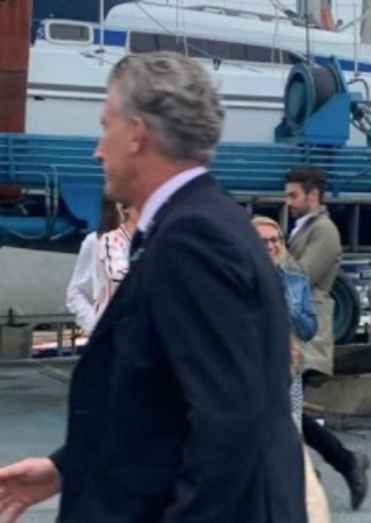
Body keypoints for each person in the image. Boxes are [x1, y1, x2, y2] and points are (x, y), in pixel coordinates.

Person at [0, 52, 305, 523]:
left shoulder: (194, 240)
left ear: (137, 133)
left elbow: (229, 429)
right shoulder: (202, 223)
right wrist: (67, 467)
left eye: (105, 127)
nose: (97, 150)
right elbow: (162, 405)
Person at [284, 165, 371, 510]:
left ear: (313, 195)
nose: (287, 201)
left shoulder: (324, 231)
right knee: (288, 412)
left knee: (284, 412)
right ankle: (344, 463)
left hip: (308, 334)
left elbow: (301, 276)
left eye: (293, 195)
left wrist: (271, 253)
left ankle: (314, 479)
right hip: (293, 332)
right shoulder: (303, 228)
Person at [252, 215, 331, 523]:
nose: (271, 246)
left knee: (290, 439)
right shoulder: (240, 278)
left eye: (276, 240)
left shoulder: (295, 282)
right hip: (253, 373)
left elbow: (309, 328)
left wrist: (289, 304)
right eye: (264, 241)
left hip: (288, 370)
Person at [65, 195, 121, 335]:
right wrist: (94, 325)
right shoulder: (95, 242)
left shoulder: (151, 241)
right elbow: (75, 292)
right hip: (110, 337)